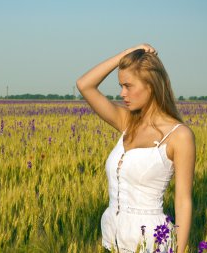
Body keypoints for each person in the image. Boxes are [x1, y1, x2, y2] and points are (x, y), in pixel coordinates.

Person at [76, 44, 195, 253]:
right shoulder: (127, 122)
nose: (122, 93)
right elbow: (84, 84)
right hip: (111, 239)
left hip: (151, 242)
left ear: (151, 85)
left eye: (128, 86)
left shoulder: (179, 136)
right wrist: (128, 54)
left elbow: (183, 200)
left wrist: (180, 251)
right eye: (121, 85)